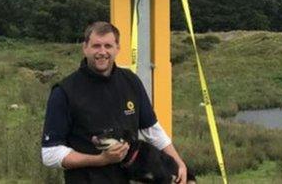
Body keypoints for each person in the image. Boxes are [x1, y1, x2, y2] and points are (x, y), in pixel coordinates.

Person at [41, 21, 193, 183]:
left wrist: (178, 162)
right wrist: (100, 160)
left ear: (117, 48)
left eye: (108, 46)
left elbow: (151, 129)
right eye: (96, 46)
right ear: (85, 48)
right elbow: (50, 154)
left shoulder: (131, 81)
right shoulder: (64, 91)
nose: (102, 52)